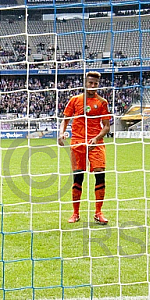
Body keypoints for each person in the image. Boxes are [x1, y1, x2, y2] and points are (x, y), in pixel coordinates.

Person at [57, 70, 110, 225]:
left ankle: (98, 213)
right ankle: (75, 213)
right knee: (78, 177)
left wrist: (96, 138)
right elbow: (65, 120)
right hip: (78, 142)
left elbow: (106, 127)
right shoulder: (75, 100)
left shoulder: (102, 102)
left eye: (96, 84)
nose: (93, 86)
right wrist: (61, 133)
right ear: (85, 83)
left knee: (100, 175)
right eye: (90, 83)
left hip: (96, 143)